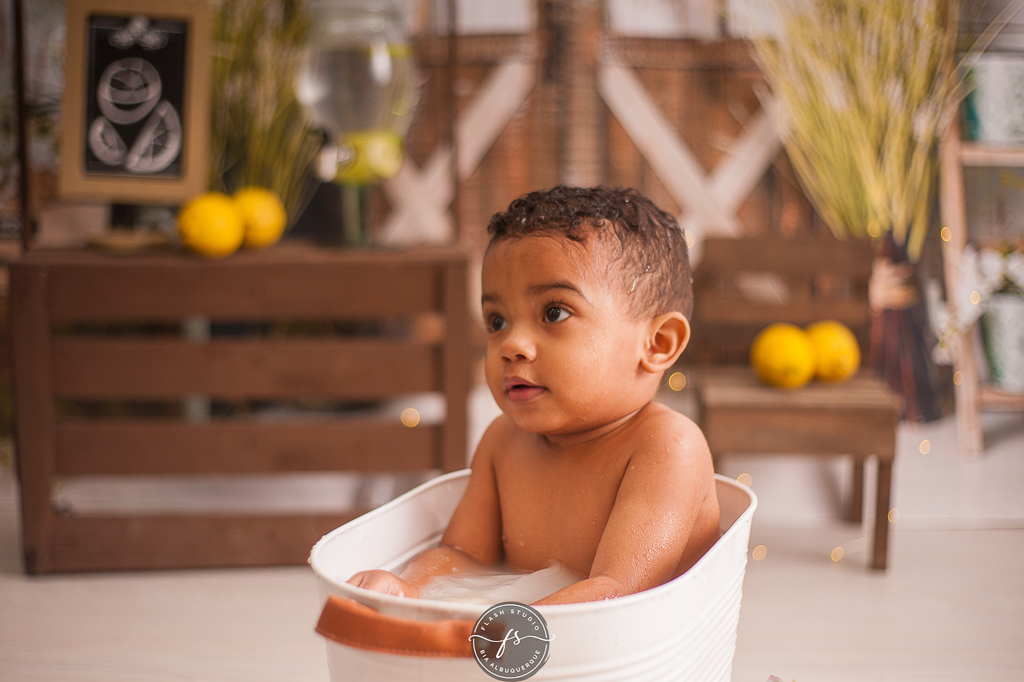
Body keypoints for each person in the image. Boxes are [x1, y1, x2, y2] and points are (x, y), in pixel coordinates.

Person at [348, 185, 719, 605]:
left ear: (657, 343)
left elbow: (618, 594)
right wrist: (409, 588)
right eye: (497, 321)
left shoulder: (668, 447)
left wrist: (502, 630)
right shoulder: (503, 441)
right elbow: (462, 555)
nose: (511, 345)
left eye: (553, 313)